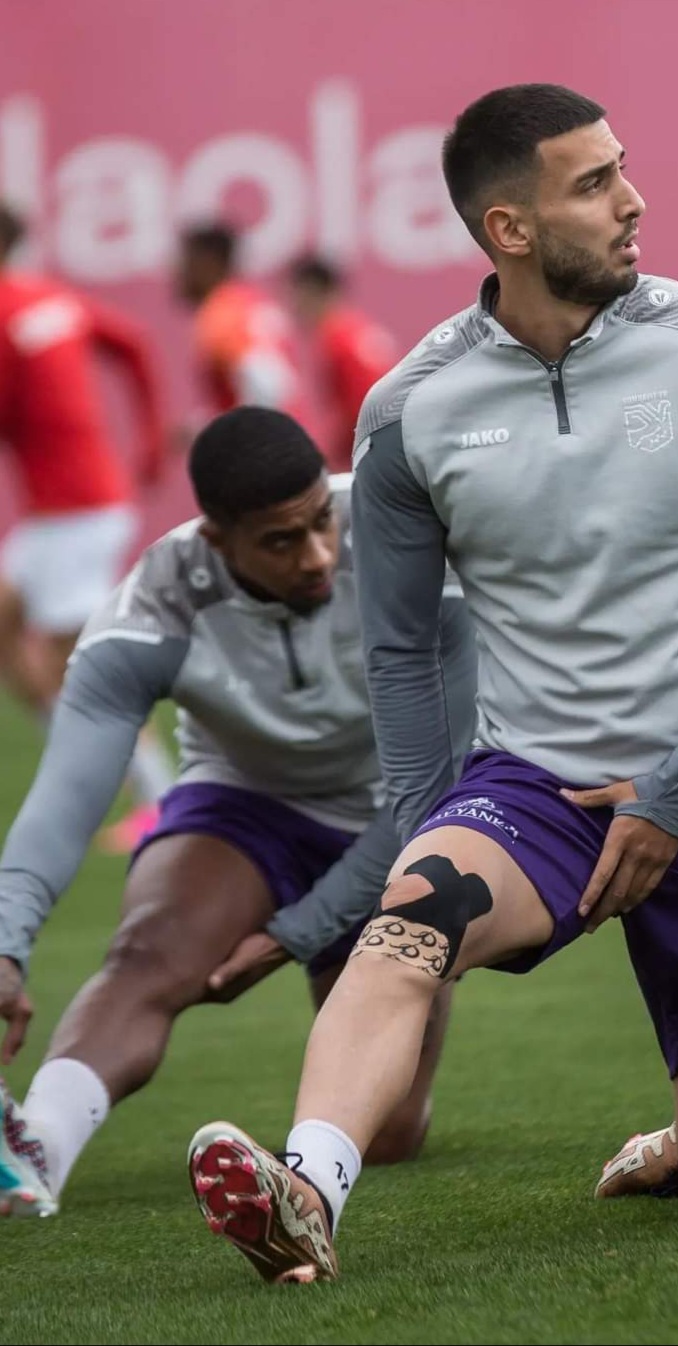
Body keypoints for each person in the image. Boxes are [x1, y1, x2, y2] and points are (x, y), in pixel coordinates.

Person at [187, 82, 678, 1285]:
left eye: (621, 169)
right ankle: (306, 1191)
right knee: (407, 928)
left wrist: (673, 794)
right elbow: (399, 646)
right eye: (594, 183)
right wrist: (422, 817)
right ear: (511, 228)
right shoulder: (412, 409)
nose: (632, 201)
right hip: (534, 787)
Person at [0, 407, 475, 1218]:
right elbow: (65, 797)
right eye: (281, 541)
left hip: (402, 815)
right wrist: (6, 944)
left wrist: (297, 933)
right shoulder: (151, 608)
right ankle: (35, 1149)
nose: (316, 554)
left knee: (391, 1134)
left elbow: (431, 792)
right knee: (150, 951)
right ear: (217, 541)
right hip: (247, 804)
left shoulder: (408, 540)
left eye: (320, 522)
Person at [0, 202, 174, 847]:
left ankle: (158, 796)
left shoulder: (9, 311)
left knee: (79, 661)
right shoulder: (49, 299)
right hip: (69, 508)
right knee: (6, 619)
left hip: (72, 514)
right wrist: (149, 437)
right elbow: (134, 344)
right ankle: (78, 771)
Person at [175, 224, 307, 427]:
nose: (178, 274)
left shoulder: (220, 314)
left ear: (208, 262)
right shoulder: (254, 301)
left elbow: (266, 384)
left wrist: (254, 438)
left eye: (185, 263)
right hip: (296, 434)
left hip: (272, 440)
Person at [287, 254, 399, 470]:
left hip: (377, 453)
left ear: (312, 291)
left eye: (295, 295)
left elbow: (366, 407)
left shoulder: (337, 339)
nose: (294, 307)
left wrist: (333, 458)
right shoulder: (356, 329)